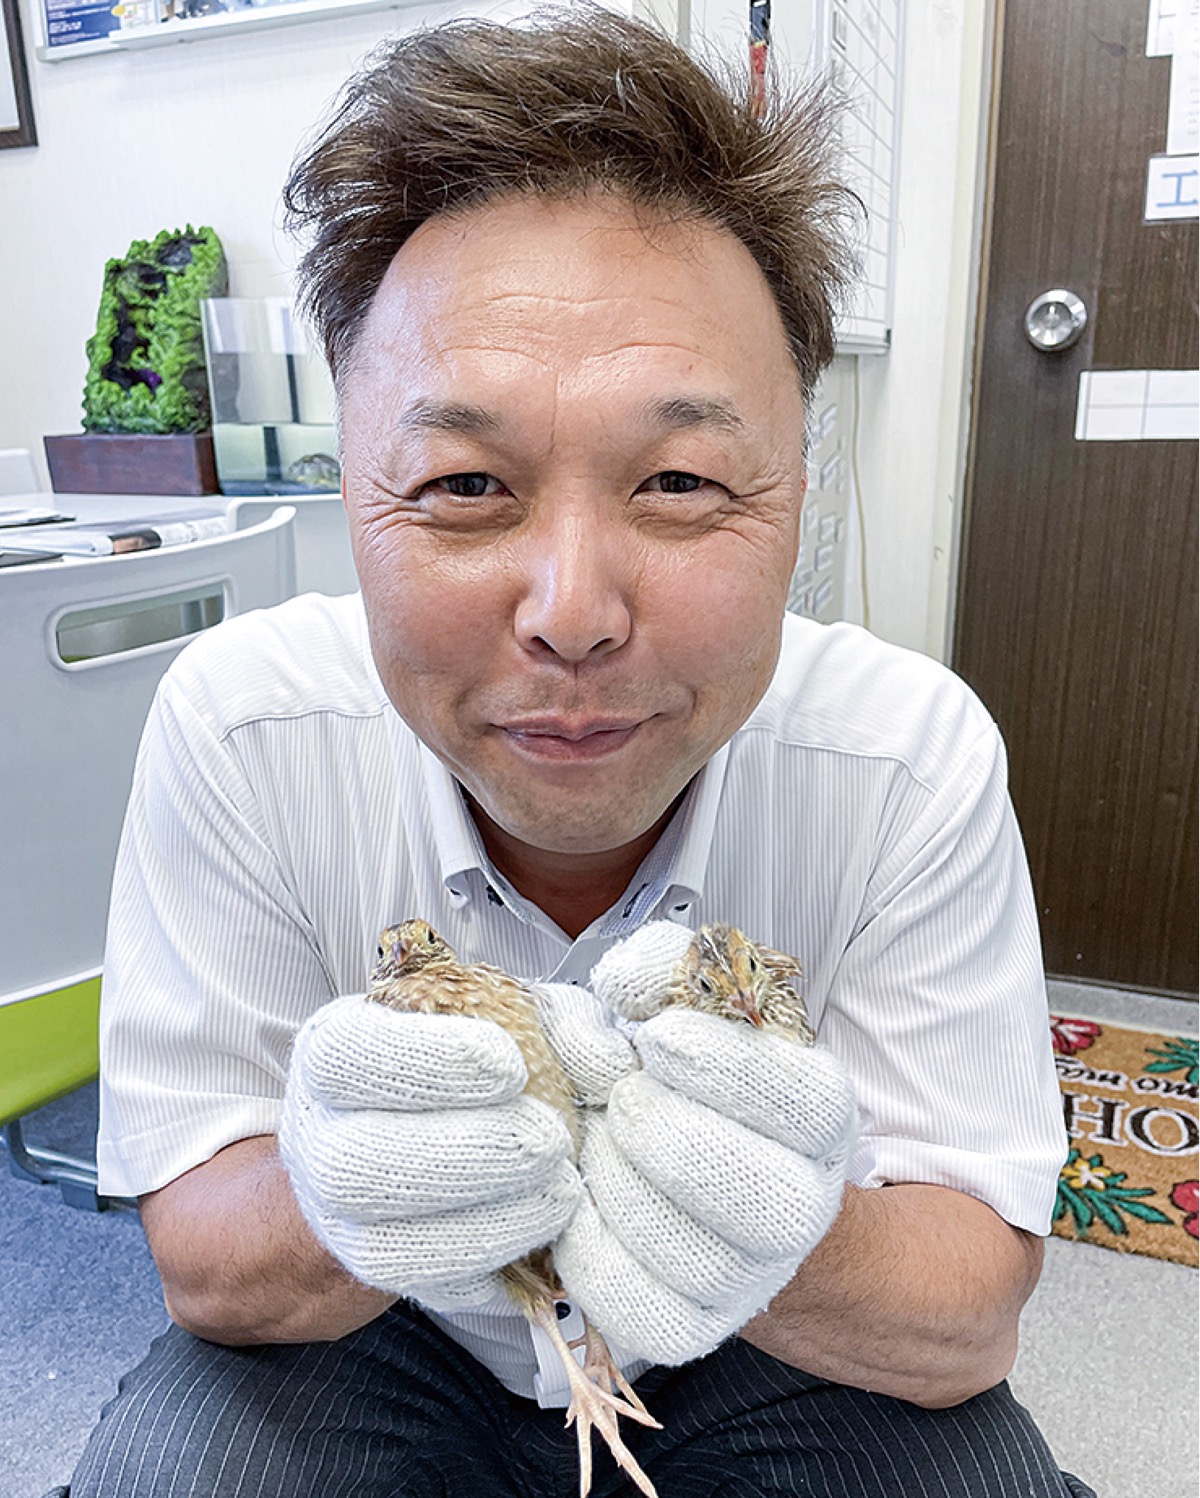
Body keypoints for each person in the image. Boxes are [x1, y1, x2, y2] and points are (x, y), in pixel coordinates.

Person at [66, 10, 1091, 1497]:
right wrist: (345, 1188)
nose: (572, 614)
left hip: (766, 1336)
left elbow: (964, 1315)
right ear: (351, 492)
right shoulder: (240, 730)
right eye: (465, 482)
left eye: (679, 481)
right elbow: (207, 1259)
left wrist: (775, 1211)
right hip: (386, 1324)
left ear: (796, 492)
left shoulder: (908, 758)